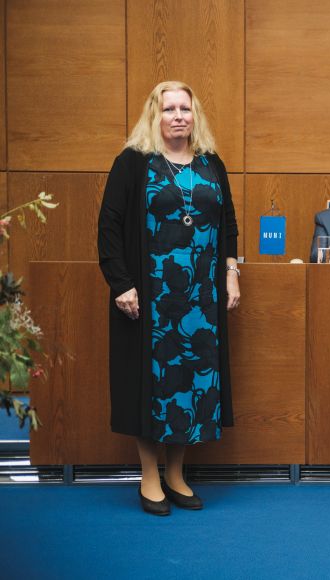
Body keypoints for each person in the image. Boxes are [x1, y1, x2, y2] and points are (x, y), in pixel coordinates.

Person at [97, 81, 241, 516]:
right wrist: (120, 283)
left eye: (185, 108)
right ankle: (148, 476)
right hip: (149, 298)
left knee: (191, 385)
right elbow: (109, 227)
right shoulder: (133, 163)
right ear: (154, 115)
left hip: (201, 300)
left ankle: (176, 474)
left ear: (195, 116)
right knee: (152, 384)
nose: (178, 116)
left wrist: (231, 274)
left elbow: (229, 224)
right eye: (169, 109)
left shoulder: (212, 163)